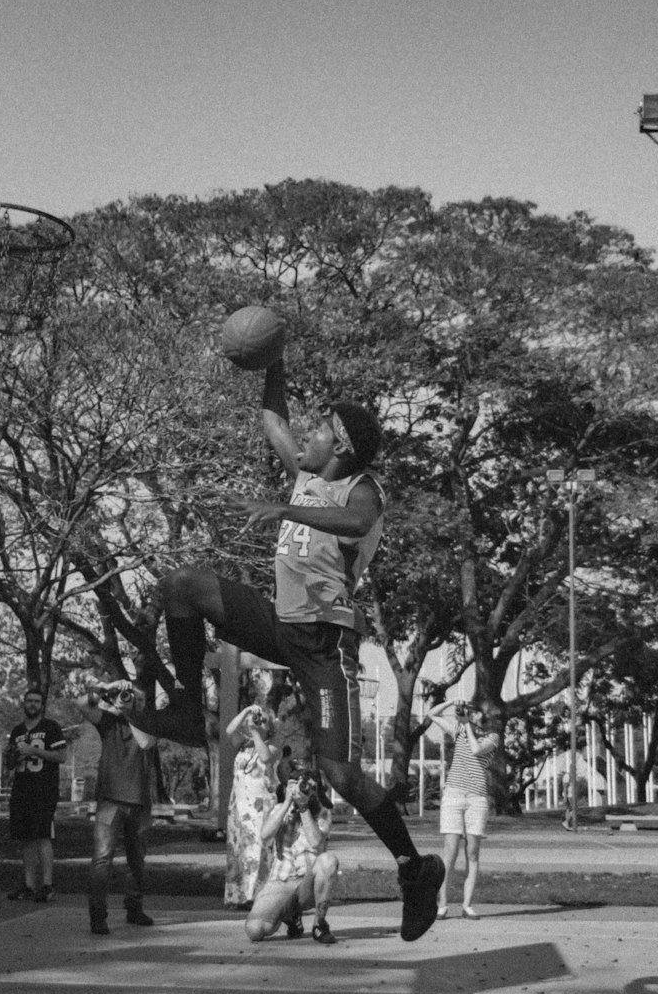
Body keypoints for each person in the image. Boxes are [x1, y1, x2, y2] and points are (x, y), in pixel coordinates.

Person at [148, 358, 445, 941]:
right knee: (181, 585)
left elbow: (356, 523)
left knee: (340, 775)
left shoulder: (362, 490)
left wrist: (284, 508)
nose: (302, 436)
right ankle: (185, 703)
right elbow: (270, 417)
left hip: (324, 648)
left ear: (340, 443)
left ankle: (415, 868)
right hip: (282, 622)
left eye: (317, 429)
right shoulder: (308, 475)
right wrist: (274, 358)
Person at [78, 679, 158, 935]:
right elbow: (81, 703)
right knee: (102, 859)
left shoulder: (144, 723)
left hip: (139, 801)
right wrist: (108, 687)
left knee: (137, 861)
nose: (128, 698)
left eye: (132, 696)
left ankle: (134, 908)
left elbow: (146, 743)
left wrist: (129, 710)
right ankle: (98, 917)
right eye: (125, 695)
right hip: (110, 800)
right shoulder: (108, 722)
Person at [245, 760, 339, 945]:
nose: (305, 790)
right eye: (300, 785)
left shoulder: (323, 813)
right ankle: (291, 915)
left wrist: (304, 807)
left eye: (309, 787)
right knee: (255, 931)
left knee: (328, 860)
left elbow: (316, 843)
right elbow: (265, 835)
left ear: (316, 790)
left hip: (307, 884)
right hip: (280, 882)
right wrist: (288, 801)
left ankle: (319, 924)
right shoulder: (279, 809)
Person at [424, 699, 502, 920]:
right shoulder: (459, 730)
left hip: (476, 798)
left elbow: (477, 750)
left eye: (474, 713)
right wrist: (451, 702)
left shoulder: (492, 737)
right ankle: (443, 904)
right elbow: (432, 714)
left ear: (482, 718)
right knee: (450, 852)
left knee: (472, 852)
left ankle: (467, 905)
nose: (470, 714)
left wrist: (466, 724)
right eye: (469, 711)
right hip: (454, 795)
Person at [5, 689, 67, 904]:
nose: (32, 704)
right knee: (26, 837)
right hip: (22, 789)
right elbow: (10, 764)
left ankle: (48, 885)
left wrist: (35, 751)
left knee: (42, 835)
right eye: (29, 701)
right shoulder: (17, 731)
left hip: (44, 790)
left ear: (42, 705)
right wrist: (13, 757)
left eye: (36, 701)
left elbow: (61, 756)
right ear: (23, 703)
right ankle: (29, 885)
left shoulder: (51, 727)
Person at [224, 702, 279, 908]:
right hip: (239, 806)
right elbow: (229, 730)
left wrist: (257, 732)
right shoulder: (242, 743)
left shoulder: (273, 743)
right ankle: (237, 896)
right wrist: (247, 711)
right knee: (238, 850)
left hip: (260, 806)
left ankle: (256, 895)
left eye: (263, 719)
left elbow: (265, 756)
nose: (258, 722)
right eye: (256, 719)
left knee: (258, 850)